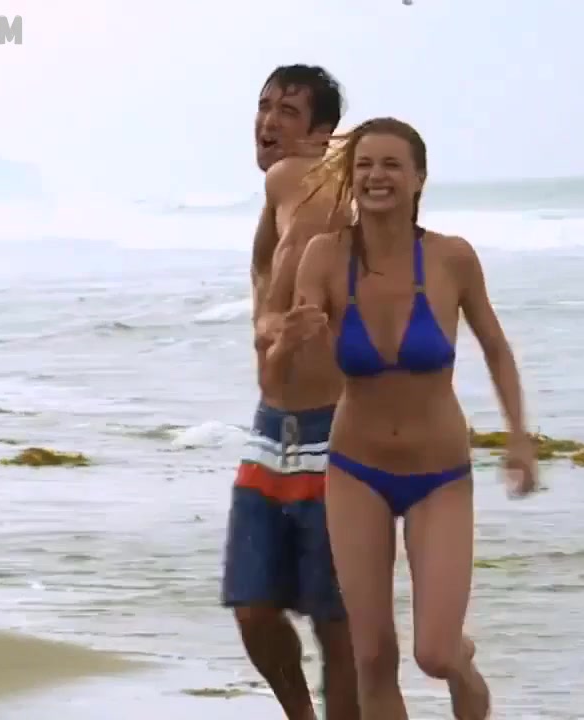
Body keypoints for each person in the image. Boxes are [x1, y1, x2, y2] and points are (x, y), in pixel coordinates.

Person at [263, 117, 539, 720]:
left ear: (418, 178)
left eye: (391, 165)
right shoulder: (325, 256)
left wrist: (519, 437)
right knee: (371, 656)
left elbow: (495, 347)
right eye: (364, 165)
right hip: (356, 470)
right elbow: (280, 380)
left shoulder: (450, 258)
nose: (376, 176)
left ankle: (463, 664)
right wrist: (287, 344)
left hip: (439, 474)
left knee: (435, 653)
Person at [221, 63, 357, 720]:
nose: (268, 122)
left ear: (322, 134)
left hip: (334, 431)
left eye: (288, 111)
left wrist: (278, 322)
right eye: (264, 106)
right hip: (273, 428)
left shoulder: (304, 181)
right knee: (253, 605)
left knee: (335, 619)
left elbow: (307, 265)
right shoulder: (282, 188)